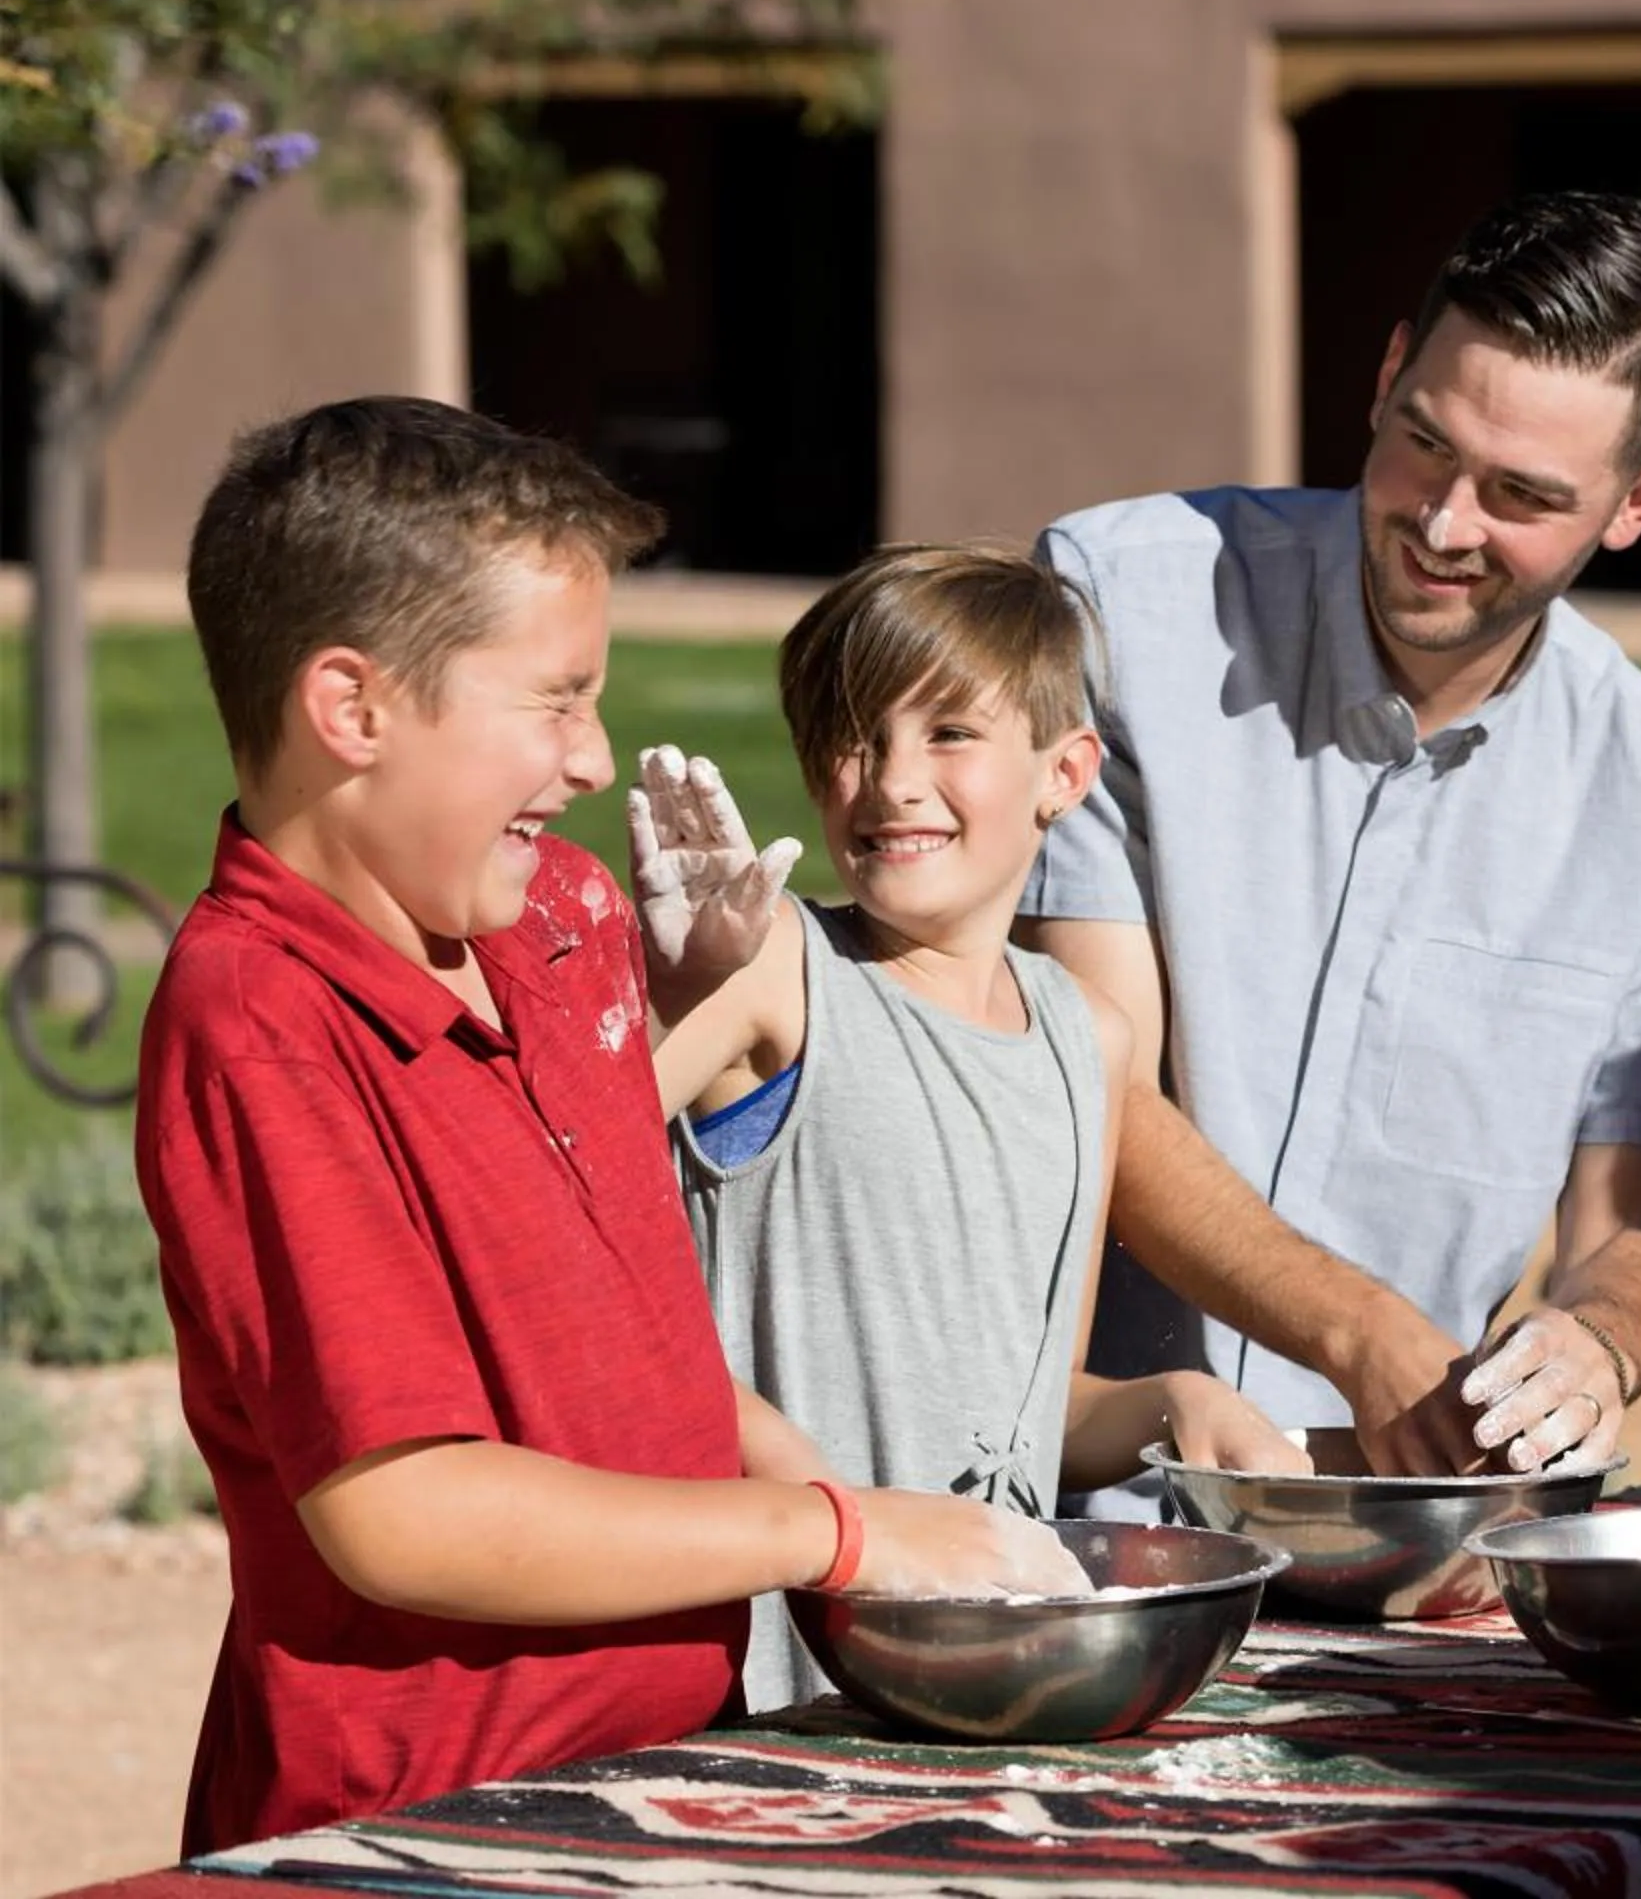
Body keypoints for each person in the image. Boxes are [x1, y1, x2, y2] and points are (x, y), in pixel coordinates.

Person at [135, 400, 1078, 1851]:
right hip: (423, 1834)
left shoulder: (566, 925)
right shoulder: (259, 1019)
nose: (592, 759)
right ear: (354, 708)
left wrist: (896, 1536)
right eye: (556, 699)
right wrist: (833, 1534)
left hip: (654, 1788)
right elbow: (407, 1516)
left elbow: (651, 1369)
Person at [1018, 192, 1641, 1488]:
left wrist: (1597, 1347)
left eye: (1523, 495)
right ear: (1390, 371)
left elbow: (1627, 1232)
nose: (1447, 524)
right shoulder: (1119, 603)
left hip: (1400, 1520)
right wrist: (1359, 1330)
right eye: (1425, 446)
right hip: (1072, 1484)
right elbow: (1086, 1081)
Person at [636, 543, 1299, 1710]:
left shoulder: (1085, 1037)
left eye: (948, 731)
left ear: (1067, 769)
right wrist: (668, 995)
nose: (892, 778)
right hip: (772, 1682)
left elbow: (1036, 1406)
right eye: (854, 733)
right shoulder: (779, 972)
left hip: (995, 1666)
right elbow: (543, 1191)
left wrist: (1174, 1403)